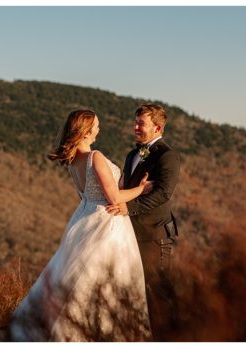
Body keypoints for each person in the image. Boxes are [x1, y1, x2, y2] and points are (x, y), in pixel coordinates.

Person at [0, 109, 152, 341]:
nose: (99, 130)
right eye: (96, 126)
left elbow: (88, 194)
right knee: (106, 278)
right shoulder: (95, 157)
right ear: (86, 131)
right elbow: (114, 198)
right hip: (106, 221)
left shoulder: (73, 161)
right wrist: (142, 189)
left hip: (84, 217)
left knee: (78, 279)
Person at [106, 104, 182, 341]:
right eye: (136, 122)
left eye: (141, 124)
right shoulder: (132, 155)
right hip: (130, 234)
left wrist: (128, 208)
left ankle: (174, 335)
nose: (135, 127)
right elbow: (128, 189)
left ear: (157, 127)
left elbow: (163, 194)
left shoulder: (167, 156)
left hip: (155, 234)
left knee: (158, 288)